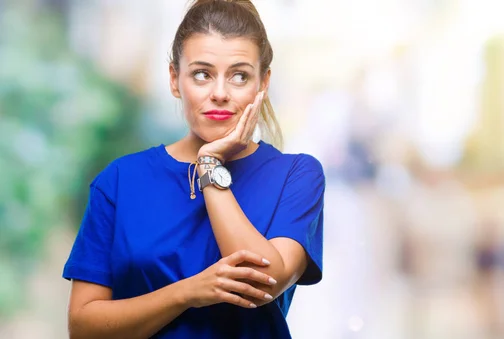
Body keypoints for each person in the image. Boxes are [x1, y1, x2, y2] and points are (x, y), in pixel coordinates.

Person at [62, 1, 325, 338]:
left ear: (263, 83)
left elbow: (261, 283)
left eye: (239, 76)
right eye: (202, 74)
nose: (219, 93)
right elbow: (83, 328)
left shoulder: (297, 175)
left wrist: (210, 167)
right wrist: (186, 293)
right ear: (175, 79)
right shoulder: (120, 181)